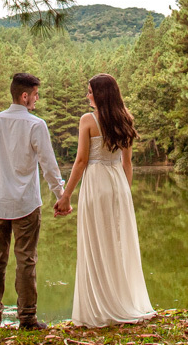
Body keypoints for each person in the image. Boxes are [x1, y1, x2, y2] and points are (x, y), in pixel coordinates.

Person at [55, 73, 155, 327]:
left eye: (89, 91)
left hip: (96, 183)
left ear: (99, 94)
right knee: (116, 242)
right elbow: (127, 163)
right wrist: (125, 193)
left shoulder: (88, 120)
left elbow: (81, 161)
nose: (86, 95)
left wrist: (66, 196)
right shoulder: (125, 118)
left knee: (96, 241)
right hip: (118, 184)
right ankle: (121, 301)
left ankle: (101, 307)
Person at [0, 72, 69, 330]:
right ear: (24, 96)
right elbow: (49, 165)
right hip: (25, 205)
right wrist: (60, 196)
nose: (37, 100)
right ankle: (27, 319)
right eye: (35, 95)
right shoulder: (35, 125)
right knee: (26, 260)